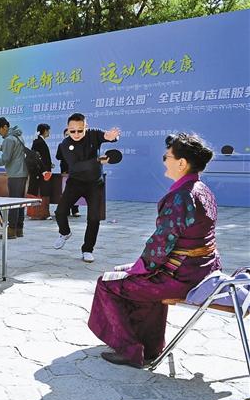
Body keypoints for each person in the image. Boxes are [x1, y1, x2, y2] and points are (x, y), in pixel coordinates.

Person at [88, 133, 220, 368]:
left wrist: (140, 268)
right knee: (128, 274)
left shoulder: (182, 196)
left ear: (181, 163)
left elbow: (160, 245)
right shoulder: (202, 190)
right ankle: (150, 346)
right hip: (202, 271)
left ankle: (130, 351)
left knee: (107, 283)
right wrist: (138, 267)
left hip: (182, 277)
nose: (164, 161)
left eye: (167, 157)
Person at [53, 113, 120, 262]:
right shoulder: (65, 144)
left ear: (86, 127)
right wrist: (98, 160)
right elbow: (76, 166)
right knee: (60, 212)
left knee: (94, 218)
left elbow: (108, 137)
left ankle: (87, 250)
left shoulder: (94, 134)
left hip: (95, 184)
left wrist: (112, 137)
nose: (76, 134)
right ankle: (65, 233)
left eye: (80, 130)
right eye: (72, 131)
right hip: (75, 182)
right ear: (68, 129)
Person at [58, 128, 81, 218]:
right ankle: (66, 210)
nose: (68, 136)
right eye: (66, 135)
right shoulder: (61, 145)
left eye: (69, 134)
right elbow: (58, 156)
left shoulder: (78, 145)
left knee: (76, 190)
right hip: (65, 170)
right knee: (65, 191)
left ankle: (75, 210)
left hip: (75, 170)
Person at [27, 123, 52, 197]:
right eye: (48, 130)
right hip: (39, 172)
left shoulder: (39, 140)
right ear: (45, 131)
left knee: (41, 192)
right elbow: (36, 157)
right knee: (36, 191)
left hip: (41, 171)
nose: (49, 132)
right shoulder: (38, 141)